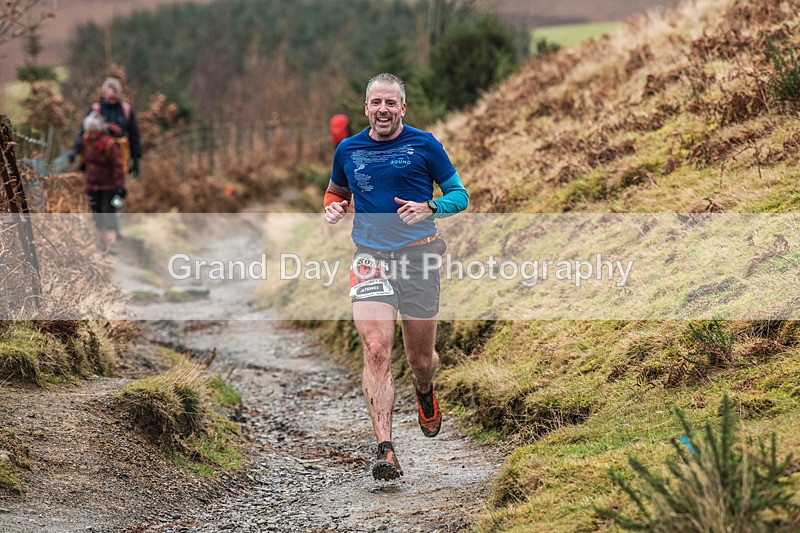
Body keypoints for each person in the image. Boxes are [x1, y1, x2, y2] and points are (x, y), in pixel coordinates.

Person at [324, 73, 469, 481]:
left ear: (402, 108)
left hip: (419, 257)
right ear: (366, 107)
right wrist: (333, 208)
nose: (383, 109)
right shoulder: (348, 149)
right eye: (376, 103)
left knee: (420, 359)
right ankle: (385, 449)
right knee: (375, 350)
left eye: (391, 103)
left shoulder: (425, 144)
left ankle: (425, 390)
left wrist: (430, 207)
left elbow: (460, 194)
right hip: (370, 258)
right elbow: (336, 192)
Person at [69, 77, 142, 177]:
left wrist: (135, 159)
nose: (112, 97)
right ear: (104, 93)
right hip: (97, 159)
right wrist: (75, 150)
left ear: (119, 94)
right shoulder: (96, 110)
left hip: (119, 160)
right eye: (109, 94)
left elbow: (134, 137)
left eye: (114, 94)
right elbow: (84, 133)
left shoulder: (126, 111)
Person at [80, 111, 126, 253]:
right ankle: (100, 243)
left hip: (109, 186)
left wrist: (120, 187)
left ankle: (111, 245)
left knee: (108, 214)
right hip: (92, 185)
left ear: (100, 130)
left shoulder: (110, 145)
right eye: (90, 130)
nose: (92, 133)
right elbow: (85, 159)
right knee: (96, 215)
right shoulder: (87, 140)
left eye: (94, 131)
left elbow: (117, 167)